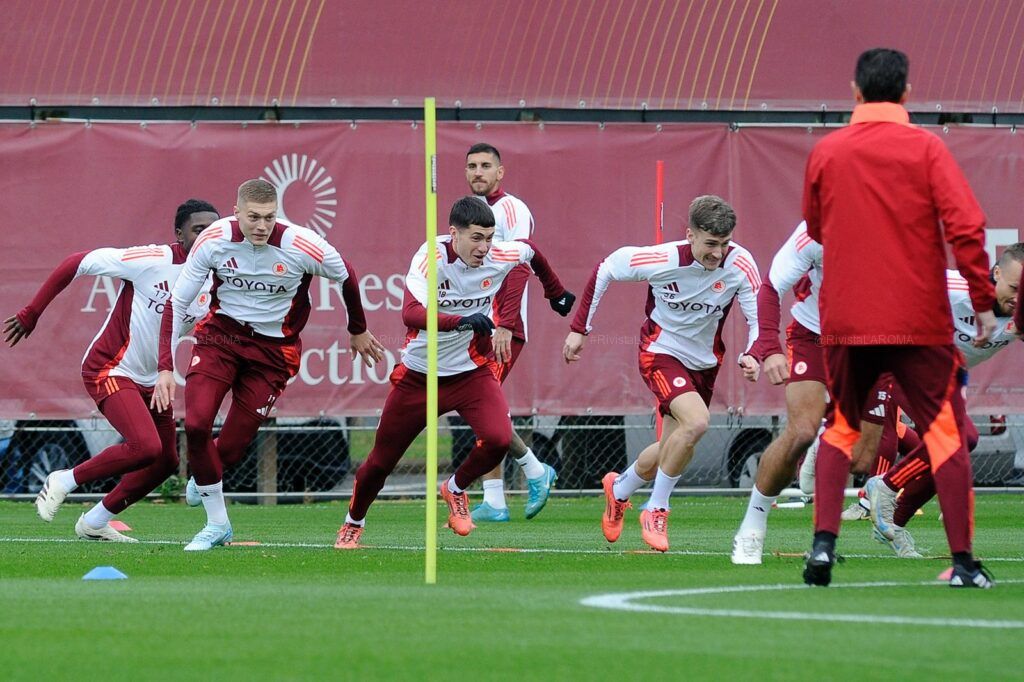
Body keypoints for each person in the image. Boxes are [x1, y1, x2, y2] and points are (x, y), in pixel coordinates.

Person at [801, 48, 997, 588]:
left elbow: (815, 227)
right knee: (945, 436)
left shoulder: (829, 151)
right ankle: (963, 563)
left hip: (847, 317)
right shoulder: (927, 149)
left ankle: (822, 549)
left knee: (840, 428)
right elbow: (966, 227)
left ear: (855, 91)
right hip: (918, 318)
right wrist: (982, 300)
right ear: (907, 94)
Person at [333, 196, 575, 549]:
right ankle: (353, 523)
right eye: (476, 238)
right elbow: (411, 314)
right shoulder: (432, 257)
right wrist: (459, 321)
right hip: (420, 377)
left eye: (489, 238)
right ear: (453, 235)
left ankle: (455, 488)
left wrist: (555, 292)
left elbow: (531, 253)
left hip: (470, 373)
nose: (484, 247)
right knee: (381, 462)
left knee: (498, 437)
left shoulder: (500, 254)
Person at [157, 179, 385, 551]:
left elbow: (346, 274)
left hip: (273, 353)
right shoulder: (214, 238)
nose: (261, 226)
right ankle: (218, 525)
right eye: (253, 218)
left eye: (268, 217)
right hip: (221, 338)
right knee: (197, 424)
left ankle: (204, 478)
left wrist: (357, 329)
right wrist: (165, 366)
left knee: (229, 450)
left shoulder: (300, 244)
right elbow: (177, 303)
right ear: (236, 213)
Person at [7, 199, 220, 541]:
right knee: (145, 446)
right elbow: (75, 262)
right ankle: (64, 479)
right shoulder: (152, 260)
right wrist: (32, 312)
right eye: (198, 230)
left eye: (213, 231)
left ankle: (94, 522)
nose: (207, 237)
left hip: (152, 378)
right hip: (109, 367)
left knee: (165, 461)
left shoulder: (214, 280)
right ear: (178, 234)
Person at [563, 195, 761, 552]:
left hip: (704, 364)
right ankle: (657, 508)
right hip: (660, 353)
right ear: (690, 235)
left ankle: (619, 489)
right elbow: (606, 268)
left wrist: (753, 353)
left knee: (675, 442)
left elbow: (757, 318)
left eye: (725, 244)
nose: (718, 253)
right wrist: (581, 329)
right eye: (710, 244)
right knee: (697, 422)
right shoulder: (662, 258)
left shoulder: (741, 265)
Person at [730, 221, 902, 564]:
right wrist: (770, 348)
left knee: (863, 458)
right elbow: (771, 287)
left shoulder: (901, 229)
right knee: (802, 431)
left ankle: (821, 536)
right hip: (815, 338)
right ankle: (753, 526)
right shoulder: (816, 231)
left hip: (872, 344)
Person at [864, 245, 1023, 556]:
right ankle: (884, 485)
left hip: (945, 379)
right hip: (901, 366)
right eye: (1014, 288)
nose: (1018, 298)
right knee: (960, 439)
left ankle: (892, 524)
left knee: (958, 451)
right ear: (997, 273)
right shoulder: (954, 288)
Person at [459, 143, 557, 523]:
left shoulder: (512, 210)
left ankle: (532, 473)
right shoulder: (471, 214)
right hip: (477, 327)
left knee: (483, 408)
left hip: (502, 329)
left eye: (486, 166)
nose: (478, 172)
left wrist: (505, 323)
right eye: (472, 166)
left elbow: (519, 268)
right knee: (486, 410)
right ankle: (497, 500)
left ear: (501, 172)